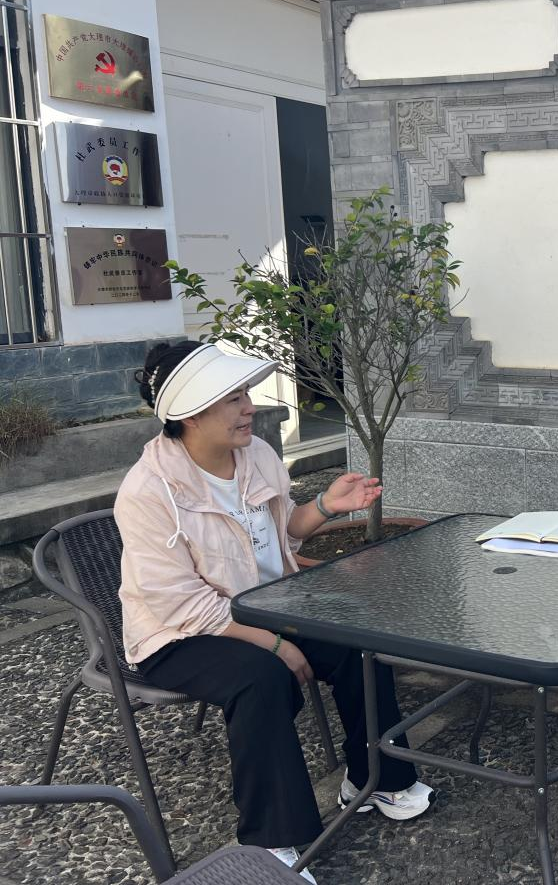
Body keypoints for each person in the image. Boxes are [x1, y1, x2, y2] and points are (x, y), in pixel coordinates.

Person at [116, 341, 435, 882]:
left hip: (267, 607)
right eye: (233, 398)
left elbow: (281, 532)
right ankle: (270, 842)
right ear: (191, 414)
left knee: (356, 638)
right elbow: (177, 602)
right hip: (177, 634)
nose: (250, 407)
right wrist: (277, 644)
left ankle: (377, 776)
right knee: (260, 677)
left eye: (245, 393)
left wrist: (327, 506)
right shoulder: (148, 491)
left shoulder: (256, 454)